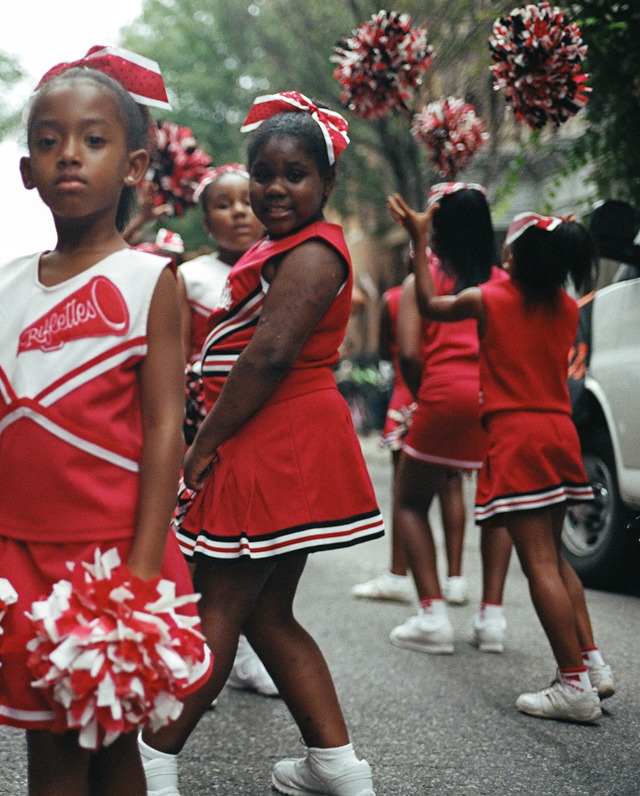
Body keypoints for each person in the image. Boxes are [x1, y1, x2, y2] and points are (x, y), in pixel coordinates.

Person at [0, 50, 208, 796]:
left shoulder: (151, 279)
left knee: (110, 738)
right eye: (49, 141)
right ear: (27, 169)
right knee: (49, 745)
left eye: (93, 139)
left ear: (134, 166)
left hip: (112, 559)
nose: (69, 157)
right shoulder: (6, 283)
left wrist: (144, 572)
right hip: (22, 550)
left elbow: (163, 430)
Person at [145, 92, 382, 796]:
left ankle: (153, 758)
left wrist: (203, 445)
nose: (276, 188)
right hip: (275, 437)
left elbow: (269, 355)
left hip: (270, 438)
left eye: (296, 174)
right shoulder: (284, 247)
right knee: (267, 613)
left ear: (327, 183)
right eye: (265, 174)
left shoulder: (314, 252)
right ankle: (336, 767)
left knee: (217, 605)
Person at [389, 199, 615, 722]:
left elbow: (426, 304)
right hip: (560, 434)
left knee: (538, 565)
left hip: (517, 438)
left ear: (514, 257)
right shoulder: (565, 306)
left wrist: (421, 243)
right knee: (555, 559)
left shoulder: (488, 298)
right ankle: (593, 664)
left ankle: (574, 685)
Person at [386, 184, 512, 655]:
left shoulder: (422, 280)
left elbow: (410, 353)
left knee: (410, 501)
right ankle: (491, 618)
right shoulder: (503, 282)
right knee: (496, 510)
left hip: (440, 397)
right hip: (493, 402)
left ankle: (433, 616)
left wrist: (427, 400)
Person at [178, 163, 277, 698]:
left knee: (259, 540)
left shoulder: (284, 264)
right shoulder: (188, 277)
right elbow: (171, 357)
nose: (239, 211)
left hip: (264, 419)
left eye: (246, 200)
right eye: (223, 203)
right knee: (200, 543)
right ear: (206, 219)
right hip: (202, 419)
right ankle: (197, 658)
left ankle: (244, 654)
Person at [350, 279, 471, 608]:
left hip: (410, 395)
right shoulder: (469, 293)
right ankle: (456, 580)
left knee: (405, 495)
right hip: (454, 391)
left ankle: (398, 575)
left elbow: (390, 351)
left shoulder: (397, 297)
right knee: (452, 486)